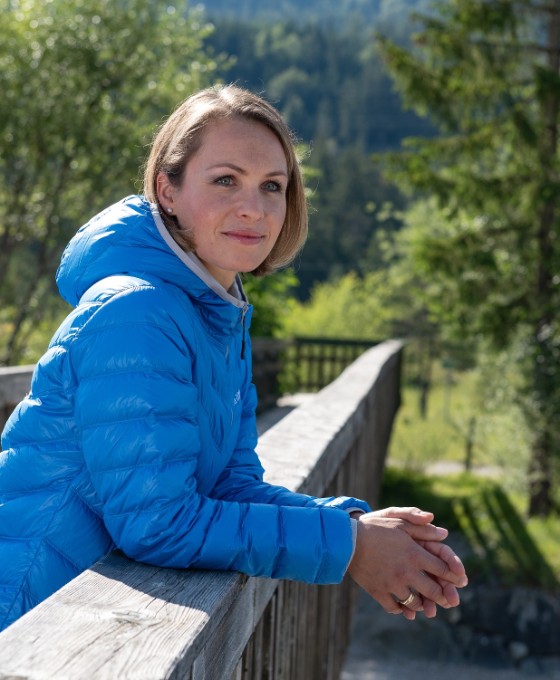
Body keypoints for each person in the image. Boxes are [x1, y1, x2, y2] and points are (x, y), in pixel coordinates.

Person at [0, 84, 467, 632]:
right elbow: (158, 524)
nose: (254, 207)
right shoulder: (135, 313)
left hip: (78, 609)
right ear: (166, 190)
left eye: (273, 186)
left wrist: (352, 524)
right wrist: (351, 546)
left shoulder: (218, 314)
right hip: (27, 613)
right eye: (225, 180)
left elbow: (230, 484)